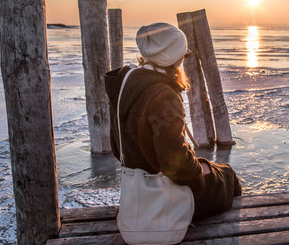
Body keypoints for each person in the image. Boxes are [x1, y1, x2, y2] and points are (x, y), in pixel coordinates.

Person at [104, 22, 242, 221]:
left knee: (209, 167)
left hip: (137, 192)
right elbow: (175, 165)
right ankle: (230, 232)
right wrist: (198, 175)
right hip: (165, 198)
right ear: (177, 59)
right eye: (183, 55)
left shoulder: (125, 85)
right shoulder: (164, 96)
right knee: (228, 175)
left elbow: (118, 150)